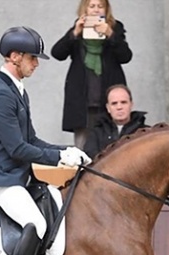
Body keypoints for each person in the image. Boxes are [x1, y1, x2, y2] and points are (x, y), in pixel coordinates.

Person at [0, 26, 90, 255]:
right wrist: (58, 159)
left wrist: (67, 150)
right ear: (15, 56)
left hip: (20, 178)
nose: (37, 63)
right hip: (4, 180)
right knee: (37, 223)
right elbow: (17, 148)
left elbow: (32, 139)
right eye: (32, 57)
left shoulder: (17, 90)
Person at [51, 0, 133, 149]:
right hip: (83, 102)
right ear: (85, 9)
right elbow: (57, 53)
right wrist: (74, 33)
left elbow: (125, 56)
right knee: (83, 149)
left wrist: (110, 34)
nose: (96, 10)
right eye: (92, 6)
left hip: (108, 100)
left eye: (100, 6)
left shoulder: (115, 28)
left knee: (113, 149)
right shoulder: (78, 29)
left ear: (106, 9)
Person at [83, 84, 148, 158]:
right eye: (114, 103)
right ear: (108, 108)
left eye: (123, 102)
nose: (119, 107)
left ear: (131, 105)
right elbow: (90, 158)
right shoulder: (96, 133)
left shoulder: (145, 132)